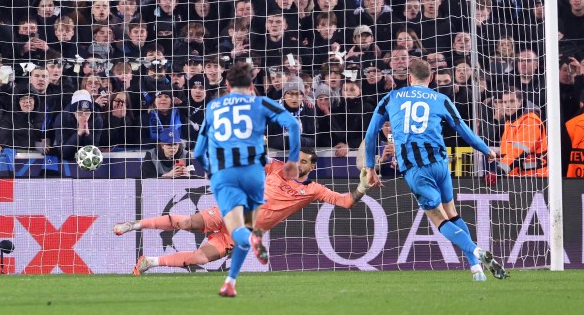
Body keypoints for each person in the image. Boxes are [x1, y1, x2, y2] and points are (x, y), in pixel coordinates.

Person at [363, 57, 509, 281]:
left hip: (416, 169)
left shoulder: (391, 97)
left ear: (409, 78)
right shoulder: (441, 98)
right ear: (431, 78)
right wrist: (485, 149)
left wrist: (371, 167)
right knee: (452, 212)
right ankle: (476, 270)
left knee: (439, 218)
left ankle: (476, 251)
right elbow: (462, 128)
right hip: (441, 165)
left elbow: (371, 133)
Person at [120, 148, 372, 274]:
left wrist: (361, 186)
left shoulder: (314, 189)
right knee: (186, 223)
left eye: (303, 161)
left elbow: (347, 202)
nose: (297, 164)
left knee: (200, 259)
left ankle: (149, 262)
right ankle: (135, 224)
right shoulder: (276, 168)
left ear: (311, 167)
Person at [192, 61, 299, 297]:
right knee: (248, 225)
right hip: (254, 173)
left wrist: (211, 170)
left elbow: (198, 152)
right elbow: (293, 124)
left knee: (237, 229)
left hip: (226, 173)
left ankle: (252, 239)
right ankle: (230, 281)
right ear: (252, 85)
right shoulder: (260, 102)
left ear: (227, 85)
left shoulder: (214, 106)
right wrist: (292, 160)